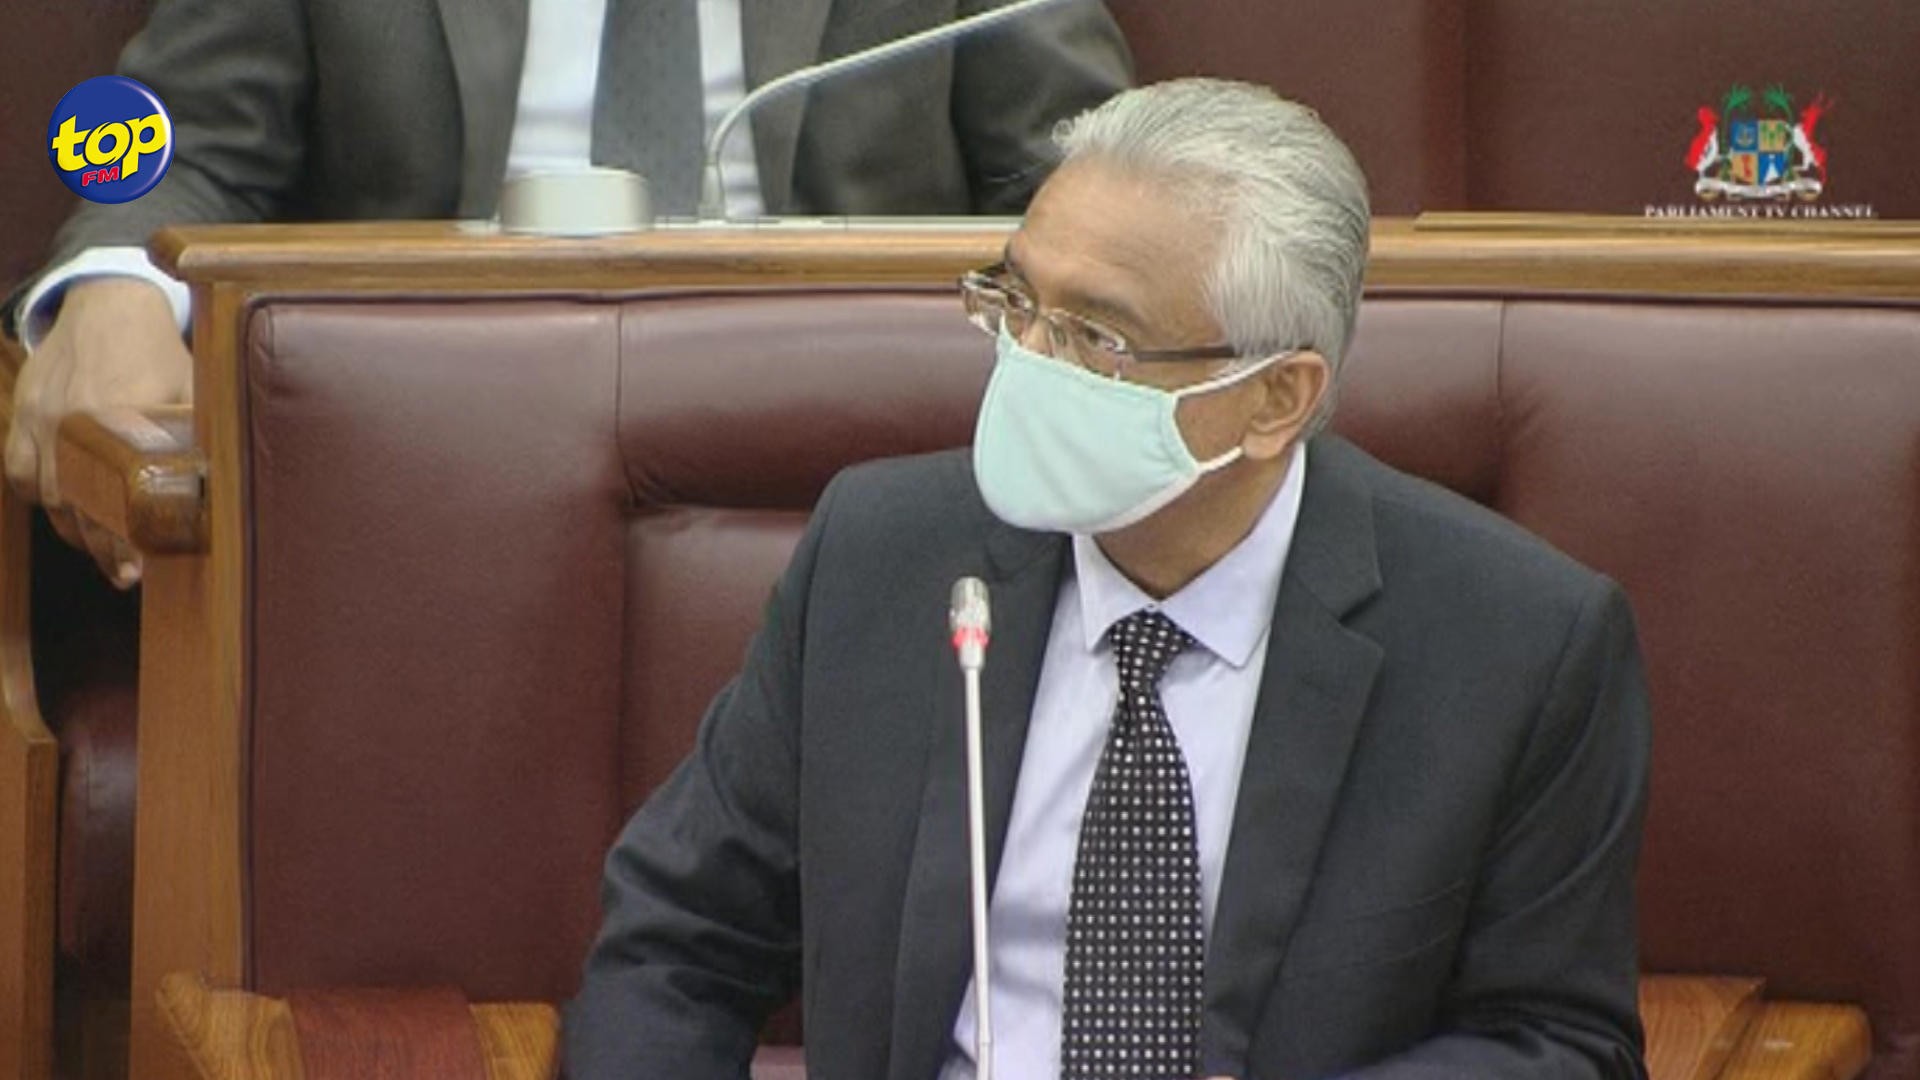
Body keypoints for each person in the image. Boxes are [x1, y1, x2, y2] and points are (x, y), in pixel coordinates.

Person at [565, 78, 1652, 1079]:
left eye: (1096, 337)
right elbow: (675, 945)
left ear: (1274, 398)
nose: (1029, 364)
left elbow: (1558, 1044)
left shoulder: (1519, 642)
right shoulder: (883, 555)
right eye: (1015, 300)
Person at [4, 0, 1133, 581]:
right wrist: (115, 283)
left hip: (839, 445)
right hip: (434, 440)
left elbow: (1084, 172)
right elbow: (170, 137)